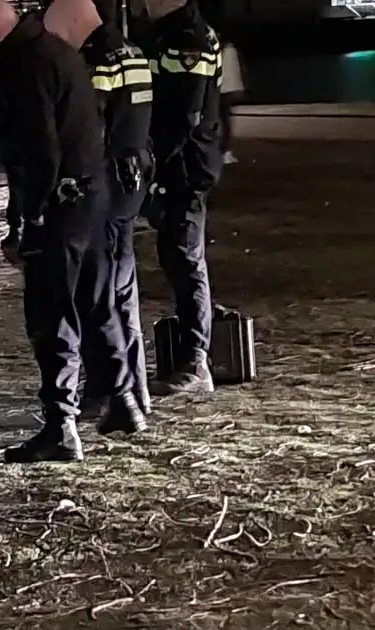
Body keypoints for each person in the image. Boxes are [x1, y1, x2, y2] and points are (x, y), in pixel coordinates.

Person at [0, 0, 145, 464]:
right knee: (98, 305)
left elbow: (38, 149)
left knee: (51, 316)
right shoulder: (60, 53)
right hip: (92, 199)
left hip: (58, 209)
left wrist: (29, 216)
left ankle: (61, 426)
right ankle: (123, 402)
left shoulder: (20, 69)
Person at [140, 0, 223, 395]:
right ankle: (195, 348)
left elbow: (183, 116)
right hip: (179, 166)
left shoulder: (188, 38)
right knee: (177, 257)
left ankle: (196, 359)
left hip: (185, 169)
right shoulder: (169, 33)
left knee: (187, 258)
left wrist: (153, 164)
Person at [78, 0, 154, 418]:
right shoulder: (135, 54)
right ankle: (134, 389)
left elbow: (90, 126)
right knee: (124, 295)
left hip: (107, 187)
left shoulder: (98, 62)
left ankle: (113, 392)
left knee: (104, 296)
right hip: (132, 183)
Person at [218, 35, 244, 165]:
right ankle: (224, 152)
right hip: (226, 90)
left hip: (220, 89)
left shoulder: (220, 49)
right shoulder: (229, 50)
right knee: (225, 121)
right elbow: (233, 71)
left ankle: (221, 151)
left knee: (221, 120)